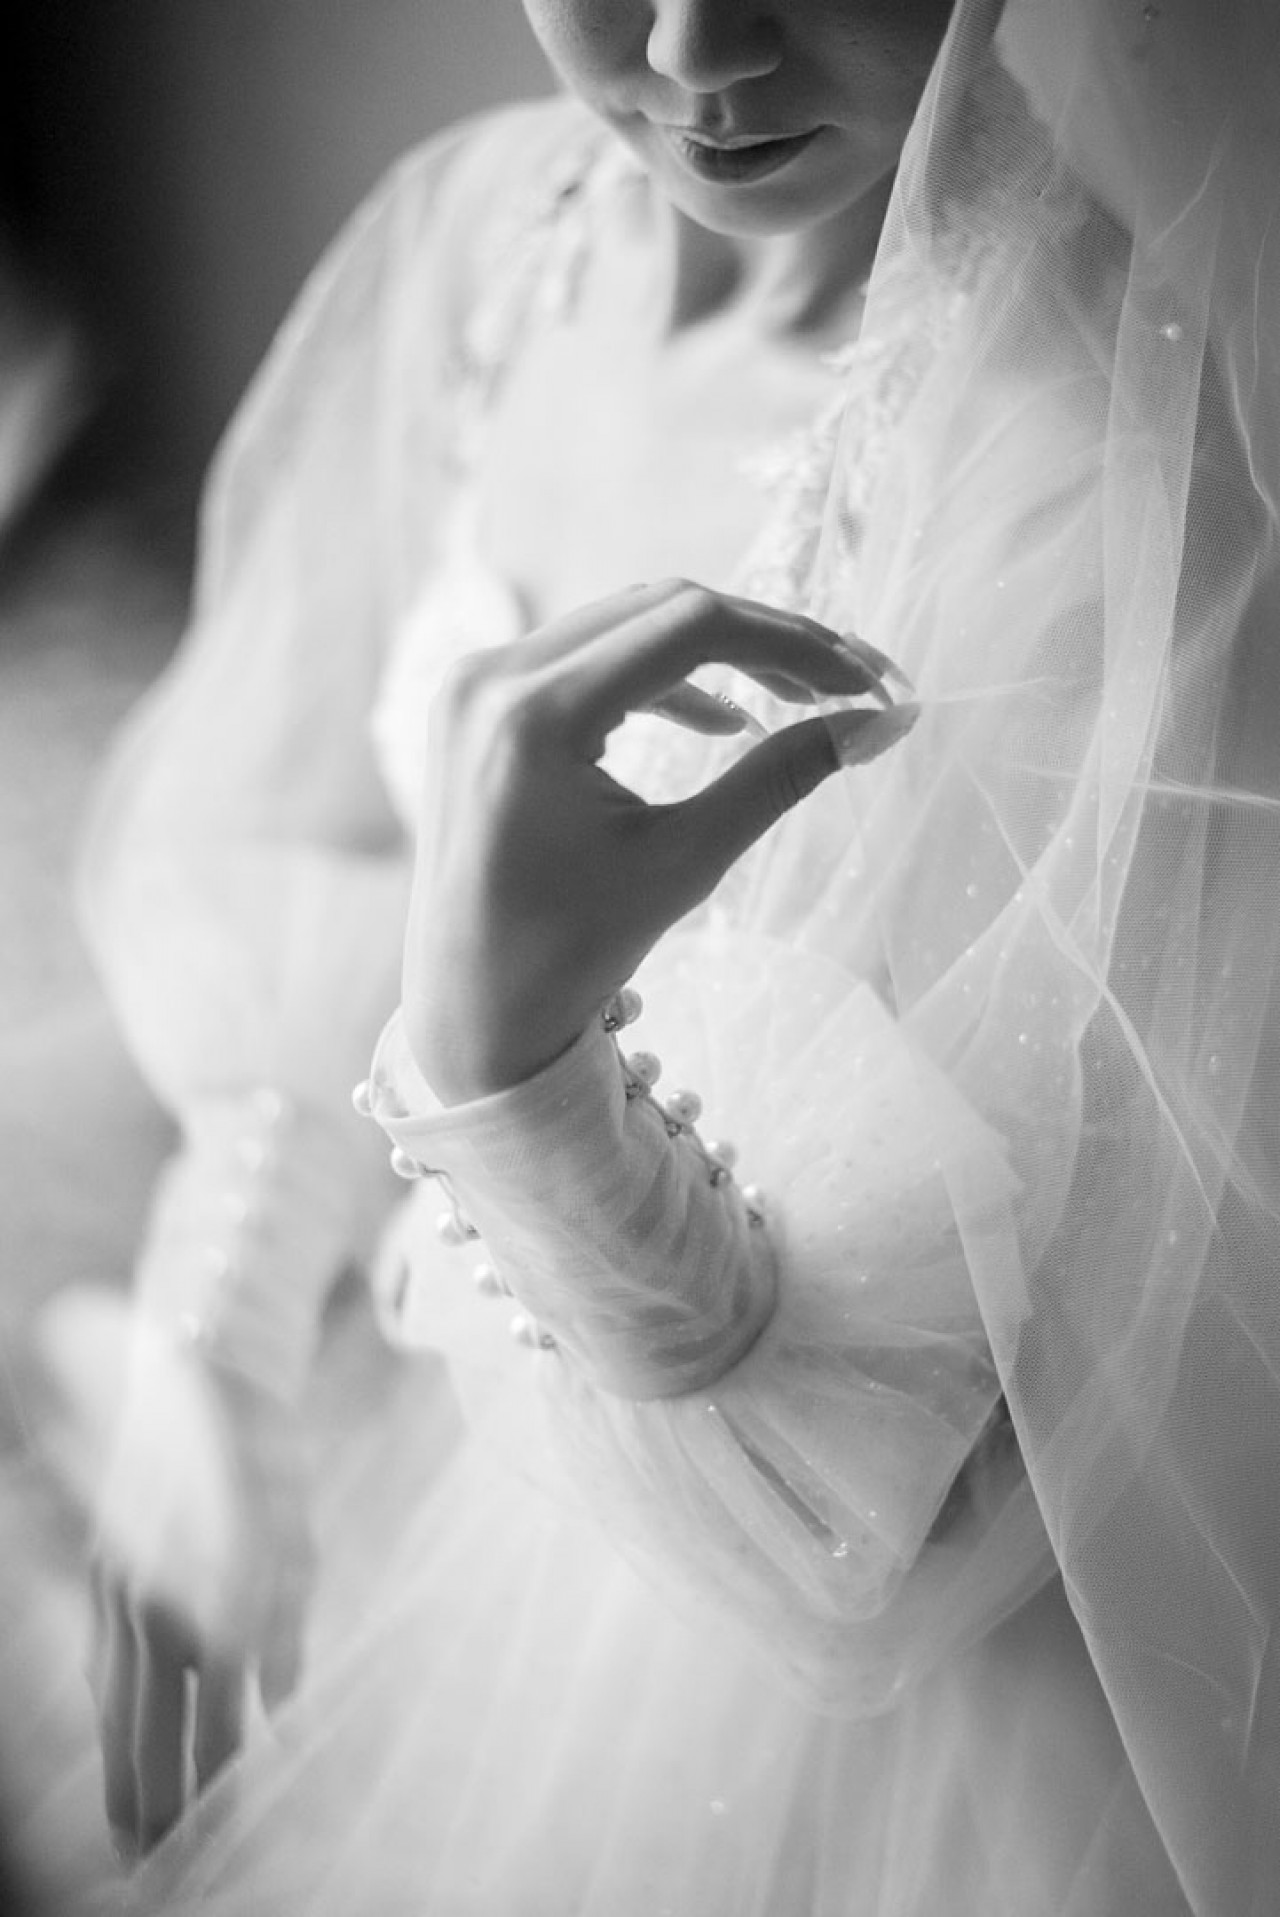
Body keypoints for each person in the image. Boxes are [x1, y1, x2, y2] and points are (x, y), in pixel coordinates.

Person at [29, 0, 1280, 1910]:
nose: (695, 55)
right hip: (440, 1460)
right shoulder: (499, 236)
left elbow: (935, 1497)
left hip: (840, 1694)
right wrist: (236, 1296)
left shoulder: (1101, 452)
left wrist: (515, 1074)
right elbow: (312, 830)